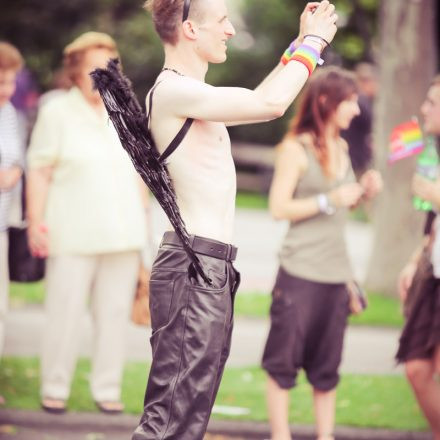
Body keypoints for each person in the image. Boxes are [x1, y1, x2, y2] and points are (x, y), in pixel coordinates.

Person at [132, 1, 338, 439]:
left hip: (208, 268)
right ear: (189, 29)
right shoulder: (172, 91)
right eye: (222, 22)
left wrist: (300, 45)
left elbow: (259, 98)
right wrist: (316, 43)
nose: (228, 31)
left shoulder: (192, 95)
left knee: (188, 416)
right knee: (171, 419)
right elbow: (270, 103)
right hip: (193, 266)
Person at [26, 32, 148, 414]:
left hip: (123, 233)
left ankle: (106, 387)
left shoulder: (126, 112)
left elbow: (140, 175)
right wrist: (34, 222)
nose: (102, 74)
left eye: (110, 66)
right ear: (76, 72)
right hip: (71, 230)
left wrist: (143, 233)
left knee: (113, 316)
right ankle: (55, 387)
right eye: (94, 67)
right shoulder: (56, 111)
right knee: (64, 313)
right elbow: (40, 171)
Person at [261, 67, 382, 440]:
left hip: (335, 276)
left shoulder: (344, 149)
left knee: (327, 371)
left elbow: (338, 210)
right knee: (283, 366)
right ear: (327, 102)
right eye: (349, 102)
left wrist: (363, 192)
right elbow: (278, 208)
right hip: (299, 274)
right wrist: (329, 199)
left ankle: (324, 436)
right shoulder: (294, 150)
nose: (357, 110)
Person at [396, 74, 440, 440]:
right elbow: (434, 225)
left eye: (432, 103)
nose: (424, 108)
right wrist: (415, 260)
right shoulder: (433, 152)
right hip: (434, 275)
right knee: (416, 367)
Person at [0, 41, 25, 359]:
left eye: (10, 81)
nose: (7, 89)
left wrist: (15, 171)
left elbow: (17, 158)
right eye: (0, 81)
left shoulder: (8, 113)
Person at [341, 62, 378, 176]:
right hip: (356, 160)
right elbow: (370, 123)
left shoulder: (356, 101)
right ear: (367, 82)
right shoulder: (362, 101)